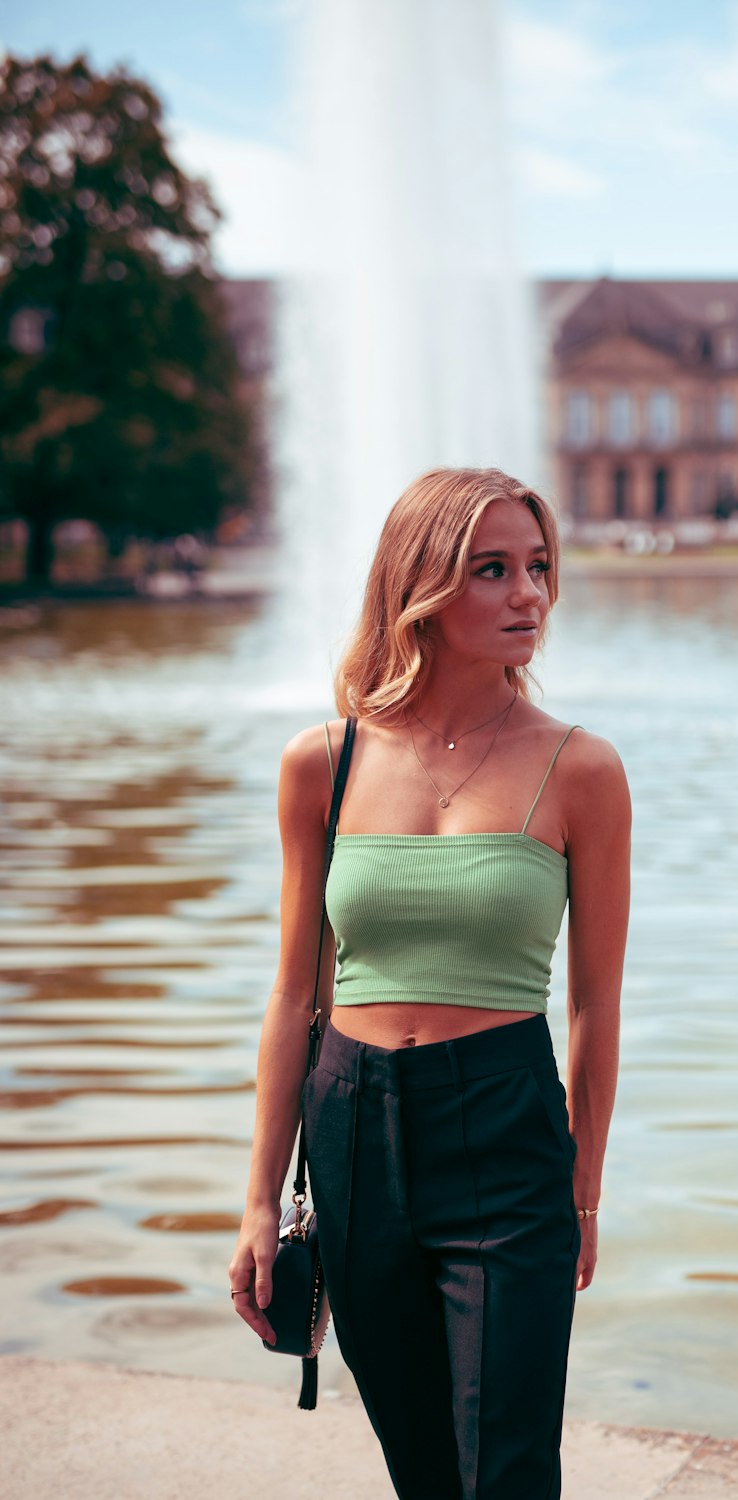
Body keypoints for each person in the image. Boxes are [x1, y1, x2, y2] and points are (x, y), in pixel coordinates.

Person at [229, 467, 631, 1500]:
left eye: (538, 567)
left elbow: (593, 1003)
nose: (528, 595)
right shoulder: (320, 763)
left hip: (505, 1127)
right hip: (351, 1127)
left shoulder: (581, 769)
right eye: (492, 570)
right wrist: (258, 1204)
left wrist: (583, 1186)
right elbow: (291, 998)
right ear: (422, 584)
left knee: (504, 1471)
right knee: (422, 1469)